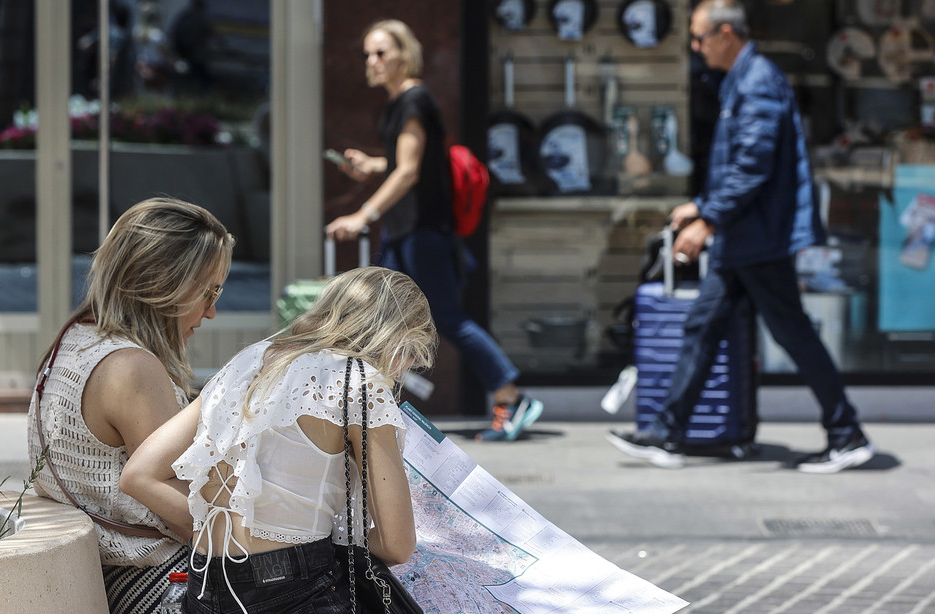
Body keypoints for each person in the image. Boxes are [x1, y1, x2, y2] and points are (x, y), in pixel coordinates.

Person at [606, 0, 876, 473]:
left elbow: (754, 166)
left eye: (700, 37)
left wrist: (707, 219)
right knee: (702, 328)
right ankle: (668, 435)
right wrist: (702, 205)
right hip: (744, 237)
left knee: (790, 333)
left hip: (759, 238)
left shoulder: (757, 82)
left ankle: (846, 434)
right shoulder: (743, 79)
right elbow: (739, 163)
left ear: (727, 33)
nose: (694, 46)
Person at [120, 266, 436, 614]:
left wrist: (231, 529)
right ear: (396, 338)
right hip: (296, 590)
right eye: (412, 355)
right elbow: (397, 545)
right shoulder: (359, 382)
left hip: (206, 589)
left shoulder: (250, 360)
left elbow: (139, 475)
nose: (403, 372)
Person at [325, 19, 543, 442]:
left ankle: (511, 396)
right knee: (381, 314)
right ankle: (370, 404)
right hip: (406, 230)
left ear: (404, 55)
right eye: (367, 53)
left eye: (381, 52)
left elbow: (408, 172)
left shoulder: (414, 100)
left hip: (423, 232)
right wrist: (370, 166)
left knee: (446, 317)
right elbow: (411, 165)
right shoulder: (398, 103)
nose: (372, 61)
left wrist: (362, 215)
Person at [27, 197, 234, 614]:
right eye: (208, 292)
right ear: (164, 285)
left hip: (106, 575)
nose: (212, 311)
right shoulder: (131, 369)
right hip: (155, 582)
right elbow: (187, 510)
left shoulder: (73, 342)